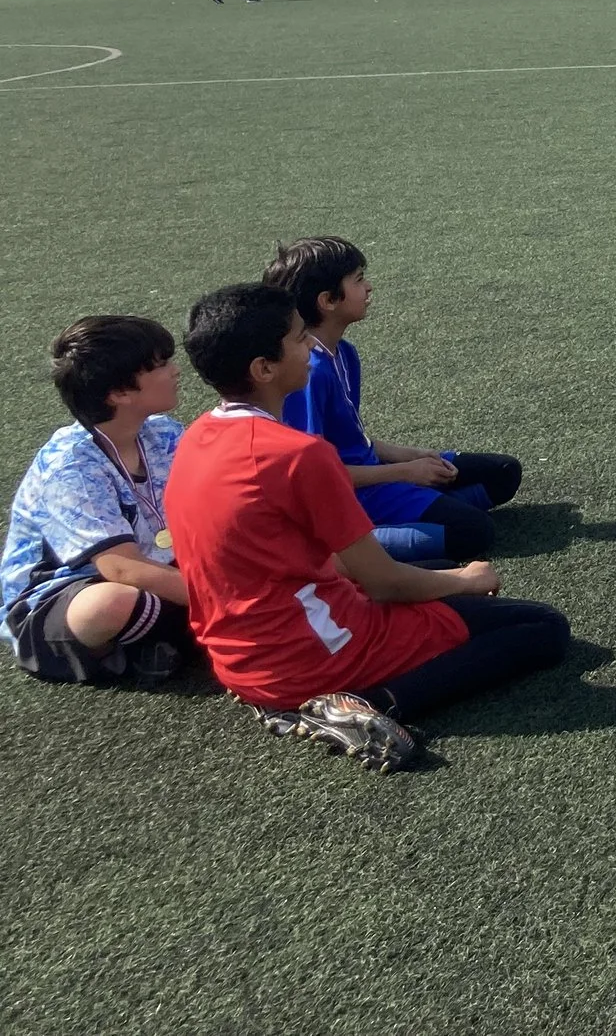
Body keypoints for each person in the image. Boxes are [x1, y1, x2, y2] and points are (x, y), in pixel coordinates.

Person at [164, 284, 570, 772]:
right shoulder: (295, 455)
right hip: (312, 656)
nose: (312, 346)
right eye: (298, 339)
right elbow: (385, 582)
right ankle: (368, 703)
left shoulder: (196, 437)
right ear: (263, 368)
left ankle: (310, 692)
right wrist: (467, 580)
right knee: (541, 626)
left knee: (439, 573)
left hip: (238, 658)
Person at [265, 236, 524, 563]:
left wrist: (407, 455)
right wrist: (404, 472)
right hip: (355, 494)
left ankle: (415, 511)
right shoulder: (309, 373)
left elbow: (347, 437)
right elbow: (315, 478)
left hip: (375, 473)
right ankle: (346, 548)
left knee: (503, 471)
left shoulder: (343, 352)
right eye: (358, 280)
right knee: (474, 532)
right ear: (328, 300)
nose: (369, 287)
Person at [2, 316, 194, 687]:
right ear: (119, 393)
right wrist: (228, 598)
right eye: (160, 365)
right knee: (110, 604)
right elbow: (120, 569)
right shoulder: (70, 466)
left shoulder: (164, 432)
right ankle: (152, 642)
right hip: (63, 595)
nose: (175, 371)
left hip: (152, 568)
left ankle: (160, 641)